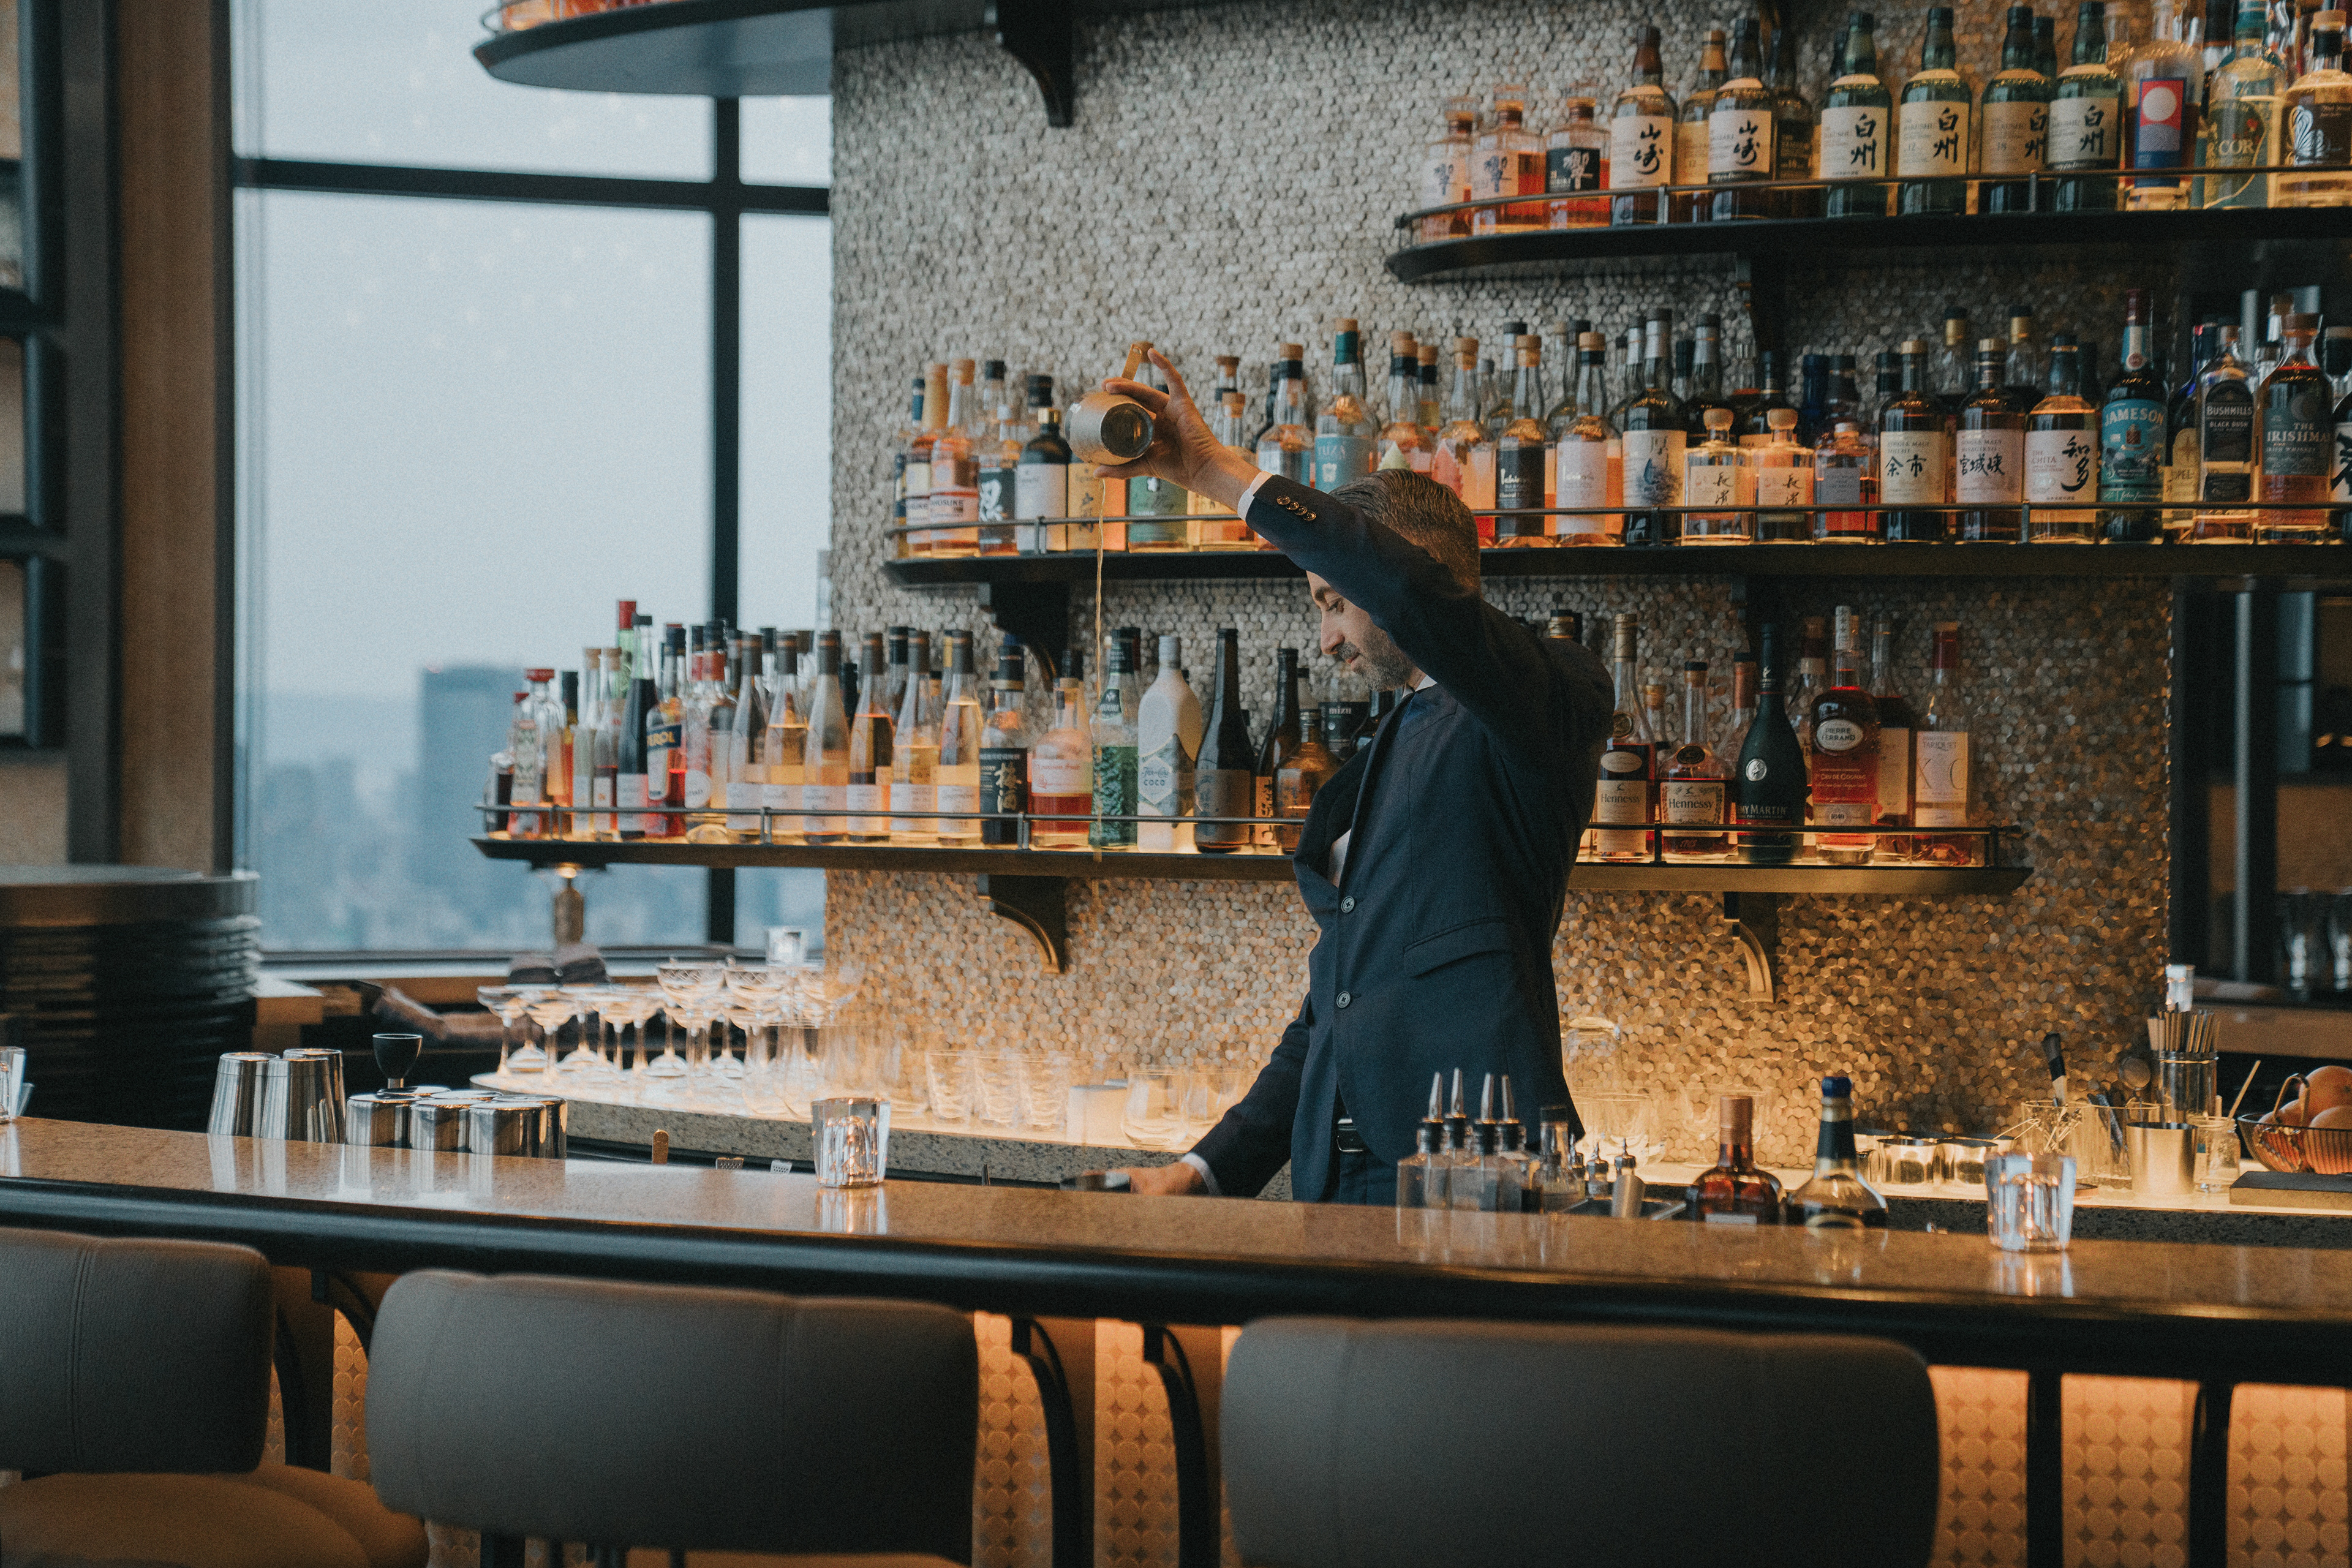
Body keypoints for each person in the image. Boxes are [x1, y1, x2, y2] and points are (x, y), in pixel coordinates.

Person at [1102, 350, 1615, 1204]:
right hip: (1336, 1179)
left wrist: (1218, 474)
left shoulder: (1551, 698)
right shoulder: (1385, 747)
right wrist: (1206, 1171)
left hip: (1469, 1172)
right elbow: (1333, 1010)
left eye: (1333, 602)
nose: (1327, 641)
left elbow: (1413, 597)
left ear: (1397, 569)